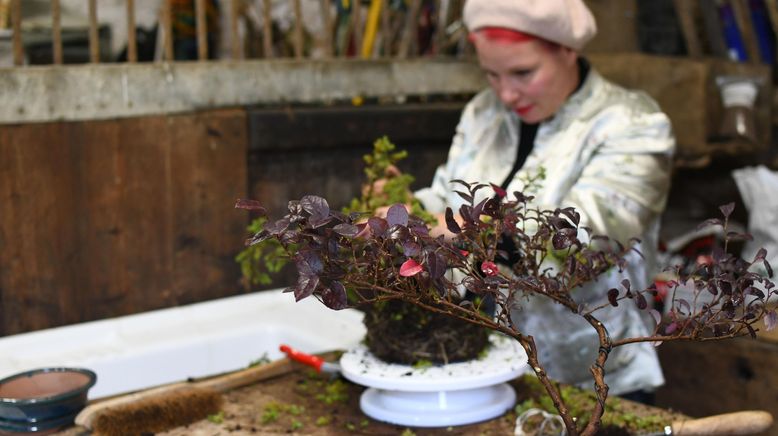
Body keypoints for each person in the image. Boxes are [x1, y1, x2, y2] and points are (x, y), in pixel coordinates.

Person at [413, 0, 675, 402]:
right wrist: (404, 213)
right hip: (487, 364)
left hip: (591, 378)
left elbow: (589, 240)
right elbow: (446, 194)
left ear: (567, 50)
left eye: (523, 72)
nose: (506, 92)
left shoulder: (633, 124)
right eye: (491, 74)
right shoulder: (483, 113)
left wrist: (461, 232)